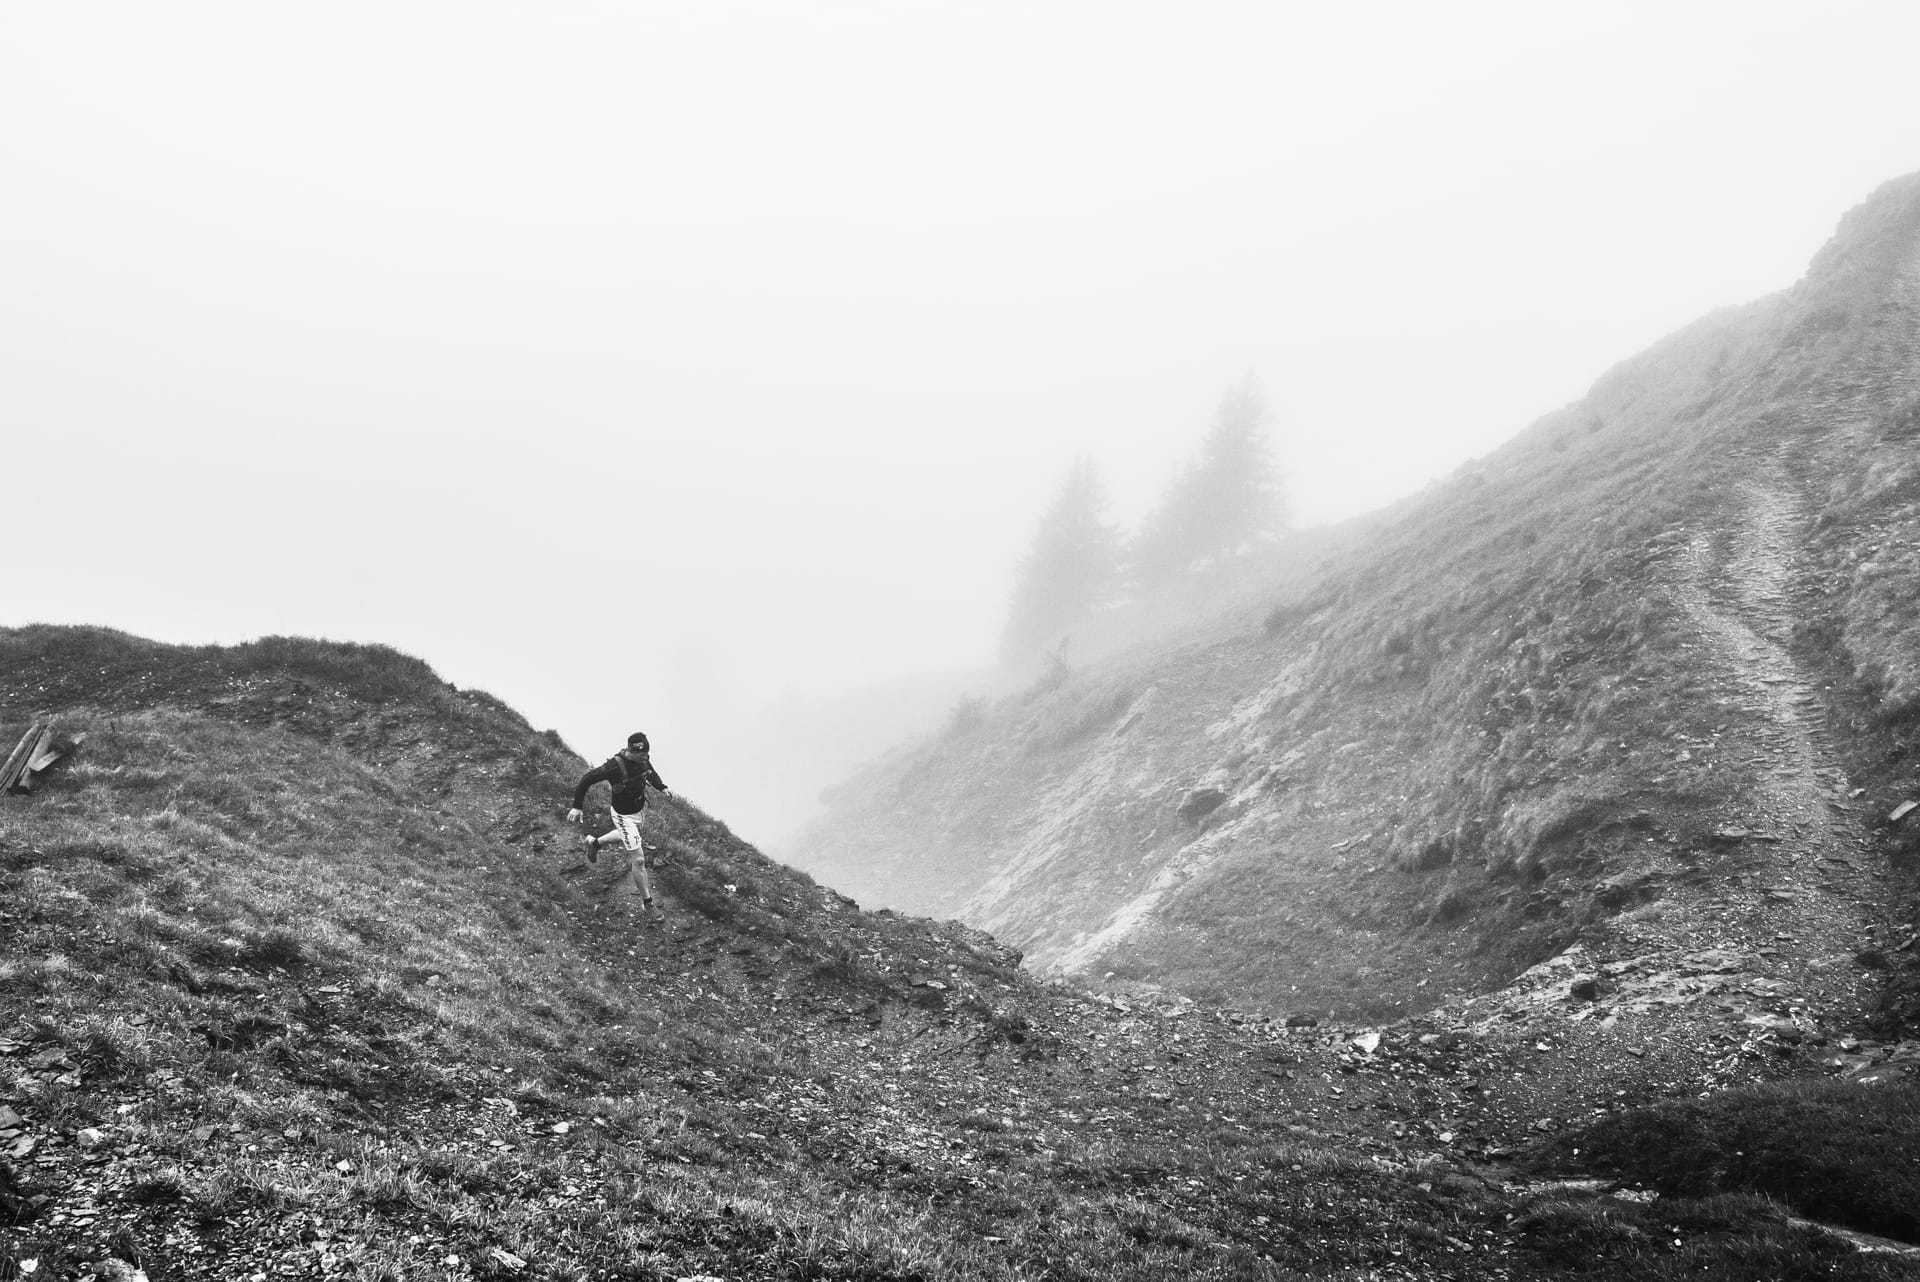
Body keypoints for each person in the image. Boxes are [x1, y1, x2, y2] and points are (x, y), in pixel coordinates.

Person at [567, 731, 671, 921]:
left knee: (629, 836)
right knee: (639, 860)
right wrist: (577, 806)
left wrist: (661, 787)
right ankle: (647, 905)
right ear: (630, 750)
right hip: (623, 816)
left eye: (646, 754)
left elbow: (650, 772)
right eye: (640, 754)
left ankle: (595, 843)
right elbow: (586, 779)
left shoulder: (644, 759)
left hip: (640, 811)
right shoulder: (614, 766)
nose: (644, 758)